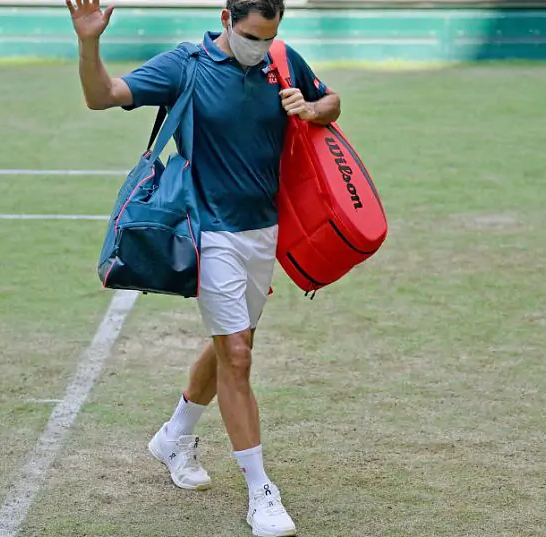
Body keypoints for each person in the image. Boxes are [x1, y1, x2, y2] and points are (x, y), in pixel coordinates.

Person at [67, 0, 341, 534]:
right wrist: (88, 41)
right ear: (224, 19)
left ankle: (174, 435)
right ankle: (261, 490)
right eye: (251, 35)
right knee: (235, 354)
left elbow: (330, 101)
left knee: (235, 345)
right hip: (208, 229)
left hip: (264, 230)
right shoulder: (185, 65)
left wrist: (311, 110)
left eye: (270, 35)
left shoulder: (282, 61)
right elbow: (101, 96)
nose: (260, 46)